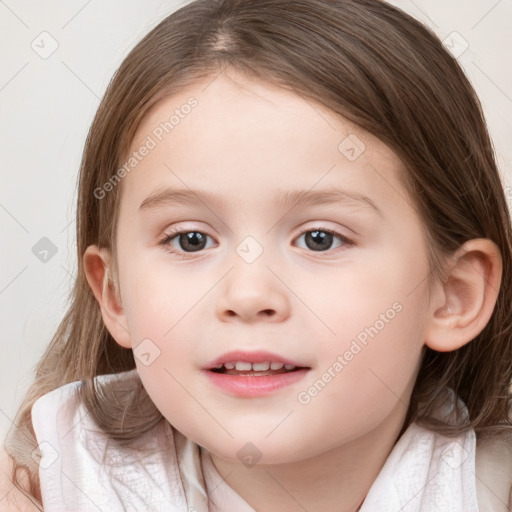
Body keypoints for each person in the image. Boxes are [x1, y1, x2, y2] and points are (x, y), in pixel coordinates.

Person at [2, 0, 511, 510]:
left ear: (453, 295)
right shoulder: (41, 488)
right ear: (114, 296)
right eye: (190, 240)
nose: (247, 295)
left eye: (320, 238)